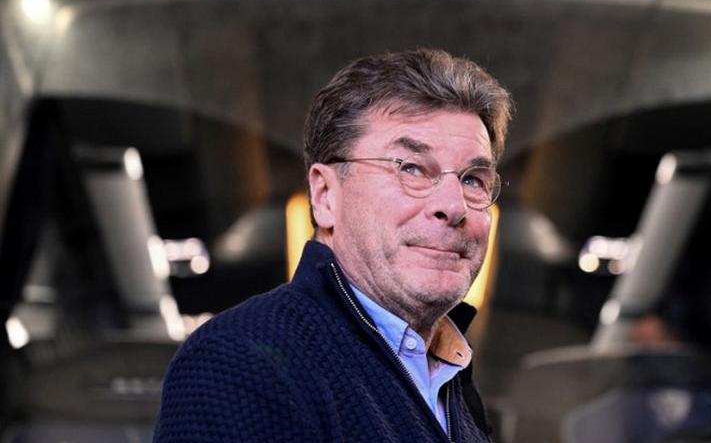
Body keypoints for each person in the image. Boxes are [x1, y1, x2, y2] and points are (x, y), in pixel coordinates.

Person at [153, 49, 514, 442]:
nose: (453, 205)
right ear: (325, 195)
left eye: (474, 179)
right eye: (410, 168)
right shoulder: (240, 362)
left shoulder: (449, 386)